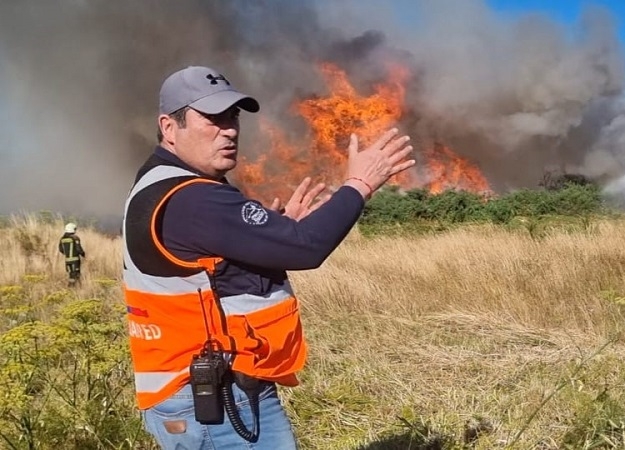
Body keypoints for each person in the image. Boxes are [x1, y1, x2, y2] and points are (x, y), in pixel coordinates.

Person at [122, 65, 415, 449]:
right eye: (212, 118)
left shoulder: (157, 183)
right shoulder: (193, 198)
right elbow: (307, 247)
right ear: (169, 127)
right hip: (215, 400)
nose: (229, 129)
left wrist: (273, 232)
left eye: (233, 116)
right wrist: (359, 184)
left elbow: (210, 272)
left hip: (194, 392)